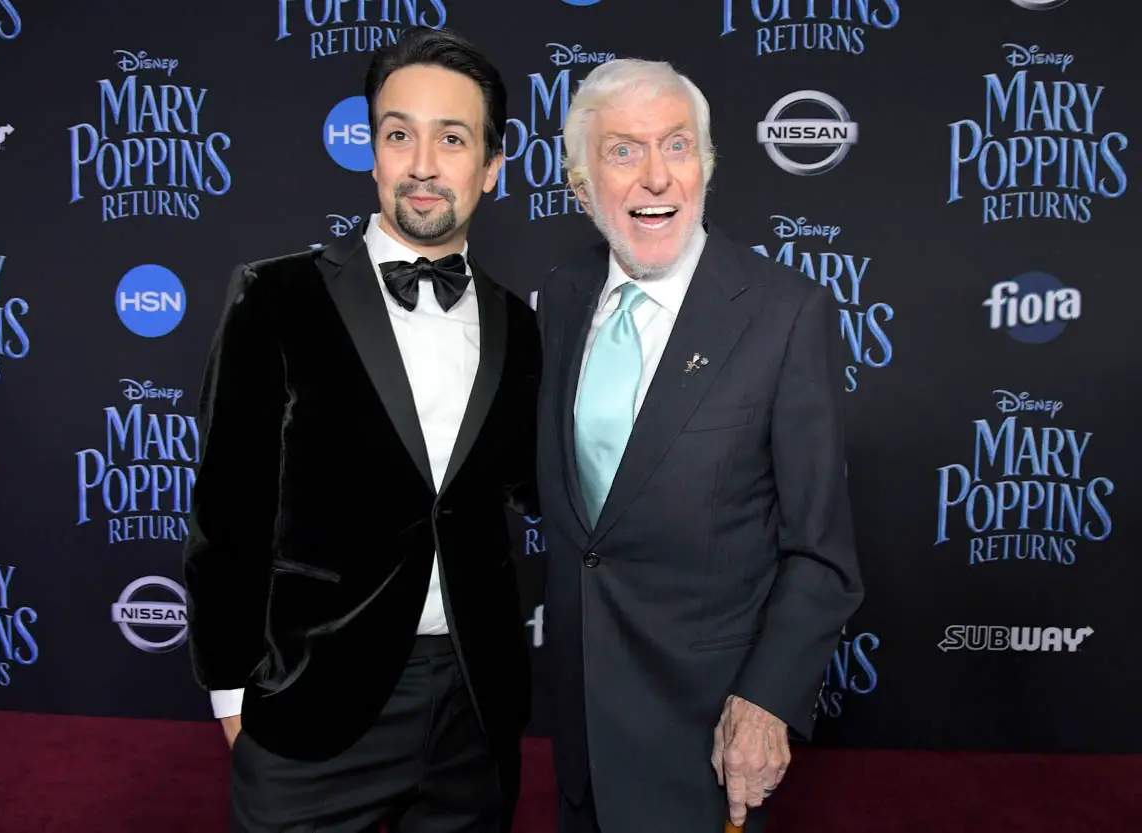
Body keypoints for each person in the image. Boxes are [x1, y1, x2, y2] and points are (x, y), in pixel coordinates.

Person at [182, 26, 539, 833]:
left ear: (492, 165)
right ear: (372, 152)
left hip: (473, 710)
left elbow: (534, 489)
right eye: (399, 135)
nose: (422, 164)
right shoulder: (275, 296)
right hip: (311, 708)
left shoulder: (519, 326)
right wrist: (234, 697)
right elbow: (228, 509)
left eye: (453, 139)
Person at [533, 58, 865, 833]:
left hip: (708, 748)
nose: (656, 176)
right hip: (580, 743)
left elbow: (821, 552)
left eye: (677, 146)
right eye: (623, 151)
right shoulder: (561, 299)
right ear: (580, 187)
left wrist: (766, 702)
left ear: (706, 166)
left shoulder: (785, 314)